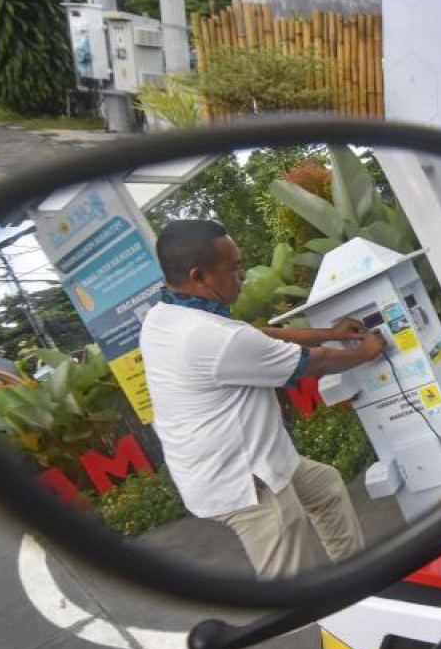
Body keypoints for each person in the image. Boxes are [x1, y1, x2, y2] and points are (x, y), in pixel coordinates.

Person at [139, 219, 386, 579]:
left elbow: (249, 335)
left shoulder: (167, 313)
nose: (243, 276)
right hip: (245, 481)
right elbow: (316, 362)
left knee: (327, 487)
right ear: (199, 276)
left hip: (257, 458)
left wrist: (329, 332)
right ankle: (320, 623)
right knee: (291, 576)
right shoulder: (207, 336)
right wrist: (366, 352)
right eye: (234, 268)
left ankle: (358, 581)